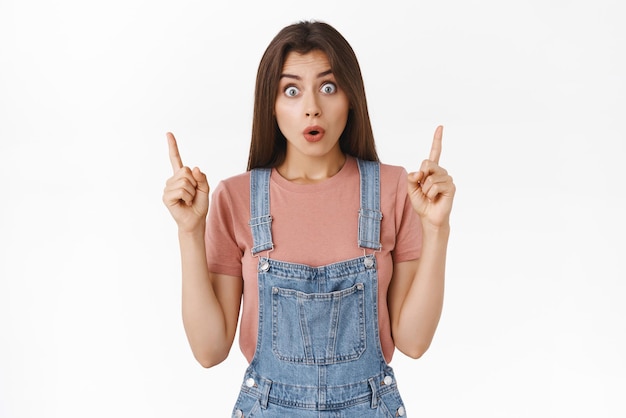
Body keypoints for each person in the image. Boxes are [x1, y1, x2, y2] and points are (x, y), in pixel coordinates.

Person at [163, 20, 455, 417]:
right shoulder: (236, 198)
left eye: (328, 87)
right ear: (272, 103)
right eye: (292, 90)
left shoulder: (394, 188)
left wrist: (437, 229)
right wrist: (189, 231)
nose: (312, 106)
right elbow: (209, 350)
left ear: (351, 97)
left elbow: (414, 342)